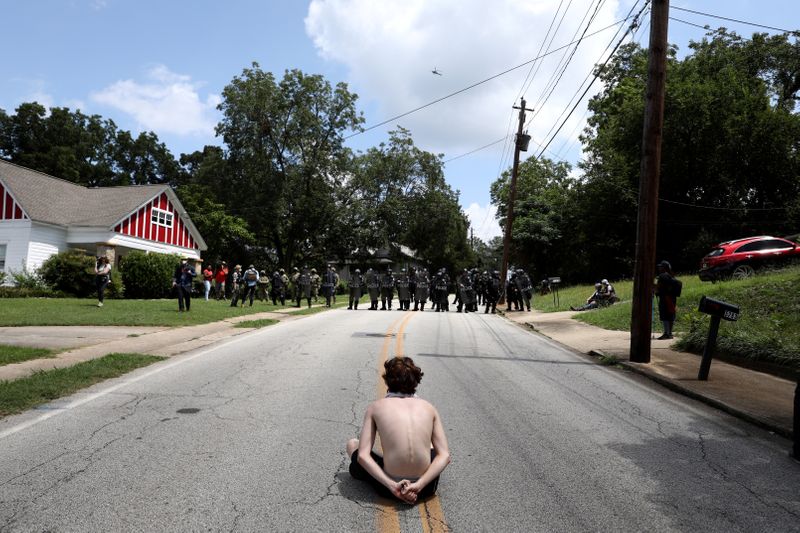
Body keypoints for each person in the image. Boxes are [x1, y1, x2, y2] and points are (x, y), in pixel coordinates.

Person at [347, 357, 451, 504]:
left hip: (389, 488)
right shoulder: (429, 408)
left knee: (352, 444)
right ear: (416, 381)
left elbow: (363, 456)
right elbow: (445, 456)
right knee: (432, 446)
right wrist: (417, 486)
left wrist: (393, 486)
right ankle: (416, 482)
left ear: (387, 381)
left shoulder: (376, 407)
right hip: (425, 489)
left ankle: (390, 479)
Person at [655, 260, 681, 340]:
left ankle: (666, 333)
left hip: (665, 298)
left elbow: (658, 287)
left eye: (661, 267)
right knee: (670, 314)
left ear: (664, 268)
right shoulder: (671, 276)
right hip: (672, 298)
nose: (659, 268)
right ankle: (670, 333)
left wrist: (654, 289)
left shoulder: (662, 276)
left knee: (664, 315)